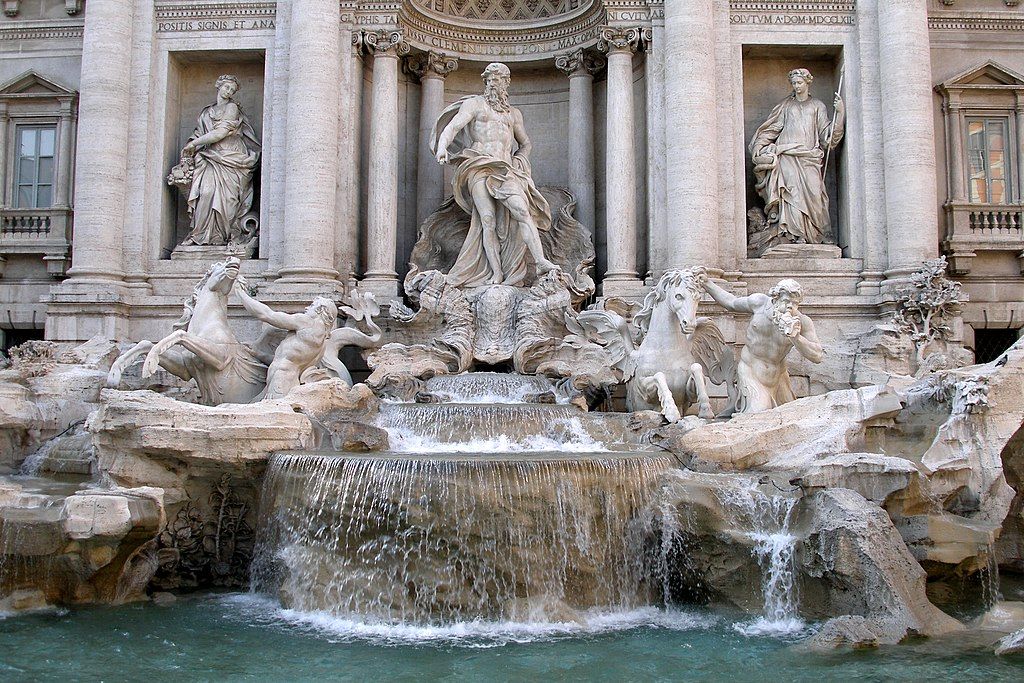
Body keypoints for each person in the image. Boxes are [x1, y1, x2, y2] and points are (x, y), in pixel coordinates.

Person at [431, 62, 558, 288]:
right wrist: (442, 146)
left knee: (521, 210)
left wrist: (520, 160)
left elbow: (526, 143)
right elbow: (453, 127)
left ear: (506, 83)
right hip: (478, 165)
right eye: (489, 79)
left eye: (497, 79)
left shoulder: (514, 114)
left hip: (505, 169)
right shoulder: (475, 104)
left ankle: (540, 262)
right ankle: (497, 273)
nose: (492, 83)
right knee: (487, 219)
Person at [700, 275, 823, 414]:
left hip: (778, 377)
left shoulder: (802, 322)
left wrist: (796, 338)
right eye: (786, 301)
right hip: (751, 371)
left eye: (795, 303)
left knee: (789, 417)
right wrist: (707, 283)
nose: (790, 307)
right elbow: (731, 302)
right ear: (775, 298)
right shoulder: (759, 303)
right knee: (759, 414)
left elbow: (817, 356)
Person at [749, 68, 844, 247]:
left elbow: (828, 137)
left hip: (809, 157)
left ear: (808, 83)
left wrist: (840, 113)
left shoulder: (817, 106)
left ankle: (817, 234)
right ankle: (793, 234)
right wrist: (760, 145)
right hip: (787, 157)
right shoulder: (786, 106)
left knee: (816, 194)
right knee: (790, 193)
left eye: (799, 83)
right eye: (794, 83)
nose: (797, 86)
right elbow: (771, 129)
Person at [179, 74, 261, 247]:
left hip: (231, 158)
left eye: (232, 89)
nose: (228, 91)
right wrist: (192, 146)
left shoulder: (232, 108)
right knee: (206, 193)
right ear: (218, 86)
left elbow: (220, 133)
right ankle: (200, 235)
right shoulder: (206, 112)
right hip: (210, 158)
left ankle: (221, 237)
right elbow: (199, 133)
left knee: (227, 201)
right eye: (226, 87)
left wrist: (194, 144)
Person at [233, 286, 338, 400]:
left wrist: (241, 293)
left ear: (320, 310)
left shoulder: (307, 322)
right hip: (289, 382)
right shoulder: (322, 344)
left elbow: (266, 314)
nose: (307, 308)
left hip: (280, 382)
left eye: (312, 306)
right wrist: (259, 354)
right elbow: (289, 360)